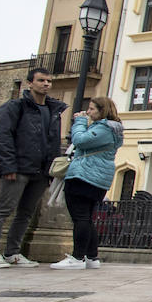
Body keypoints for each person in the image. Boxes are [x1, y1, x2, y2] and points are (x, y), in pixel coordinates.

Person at [0, 68, 66, 268]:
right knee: (3, 210)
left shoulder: (53, 110)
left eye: (49, 80)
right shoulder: (15, 107)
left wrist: (50, 170)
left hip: (41, 171)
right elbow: (4, 137)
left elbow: (53, 142)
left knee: (26, 213)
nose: (46, 84)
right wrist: (8, 165)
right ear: (30, 83)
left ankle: (13, 252)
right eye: (41, 80)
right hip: (18, 167)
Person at [50, 97, 124, 269]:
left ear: (102, 110)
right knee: (87, 218)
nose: (89, 112)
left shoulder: (104, 128)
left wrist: (80, 121)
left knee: (80, 217)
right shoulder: (113, 129)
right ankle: (91, 257)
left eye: (92, 109)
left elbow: (79, 140)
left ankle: (77, 258)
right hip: (98, 178)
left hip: (84, 175)